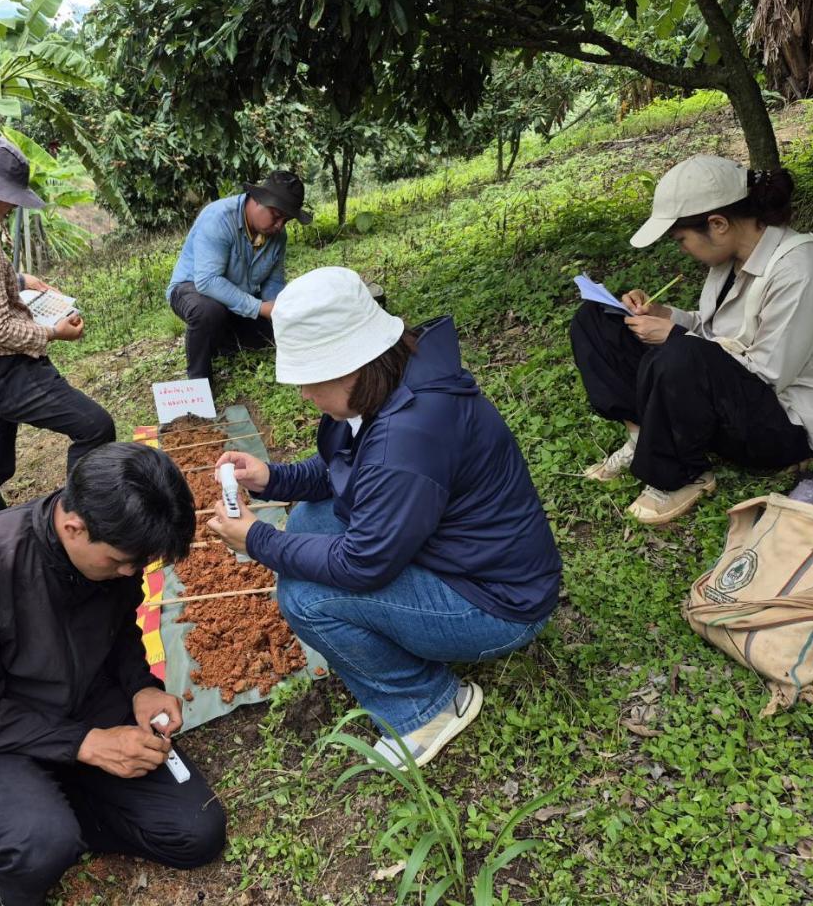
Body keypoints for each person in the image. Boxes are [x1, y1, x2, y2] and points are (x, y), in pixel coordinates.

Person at [206, 267, 562, 770]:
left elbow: (361, 564)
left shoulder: (408, 437)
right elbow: (345, 471)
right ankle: (398, 654)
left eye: (310, 380)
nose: (305, 395)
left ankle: (428, 706)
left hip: (497, 603)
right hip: (463, 556)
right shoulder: (395, 380)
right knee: (310, 517)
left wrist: (256, 539)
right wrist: (272, 479)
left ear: (348, 364)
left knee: (304, 597)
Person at [0, 442, 227, 906]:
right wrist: (88, 745)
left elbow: (123, 632)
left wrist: (142, 687)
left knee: (197, 832)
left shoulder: (117, 545)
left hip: (85, 698)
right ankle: (27, 849)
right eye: (122, 562)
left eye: (140, 565)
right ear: (74, 526)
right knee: (40, 846)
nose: (131, 572)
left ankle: (53, 809)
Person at [570, 154, 813, 524]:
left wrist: (674, 336)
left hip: (782, 425)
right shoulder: (730, 261)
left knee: (682, 354)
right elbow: (713, 330)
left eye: (682, 239)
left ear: (717, 224)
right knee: (598, 318)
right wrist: (666, 316)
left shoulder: (800, 272)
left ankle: (681, 476)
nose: (682, 249)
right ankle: (642, 435)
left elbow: (768, 372)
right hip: (723, 398)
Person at [0, 136, 116, 526]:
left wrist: (16, 280)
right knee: (95, 427)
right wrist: (53, 332)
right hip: (0, 370)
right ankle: (75, 521)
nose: (12, 204)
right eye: (7, 196)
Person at [166, 170, 313, 381]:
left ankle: (220, 341)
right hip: (193, 289)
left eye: (286, 220)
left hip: (237, 297)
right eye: (277, 216)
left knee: (273, 332)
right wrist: (260, 308)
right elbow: (207, 281)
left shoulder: (277, 236)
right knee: (208, 311)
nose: (280, 225)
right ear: (257, 200)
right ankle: (199, 382)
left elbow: (274, 281)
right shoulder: (218, 219)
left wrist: (279, 309)